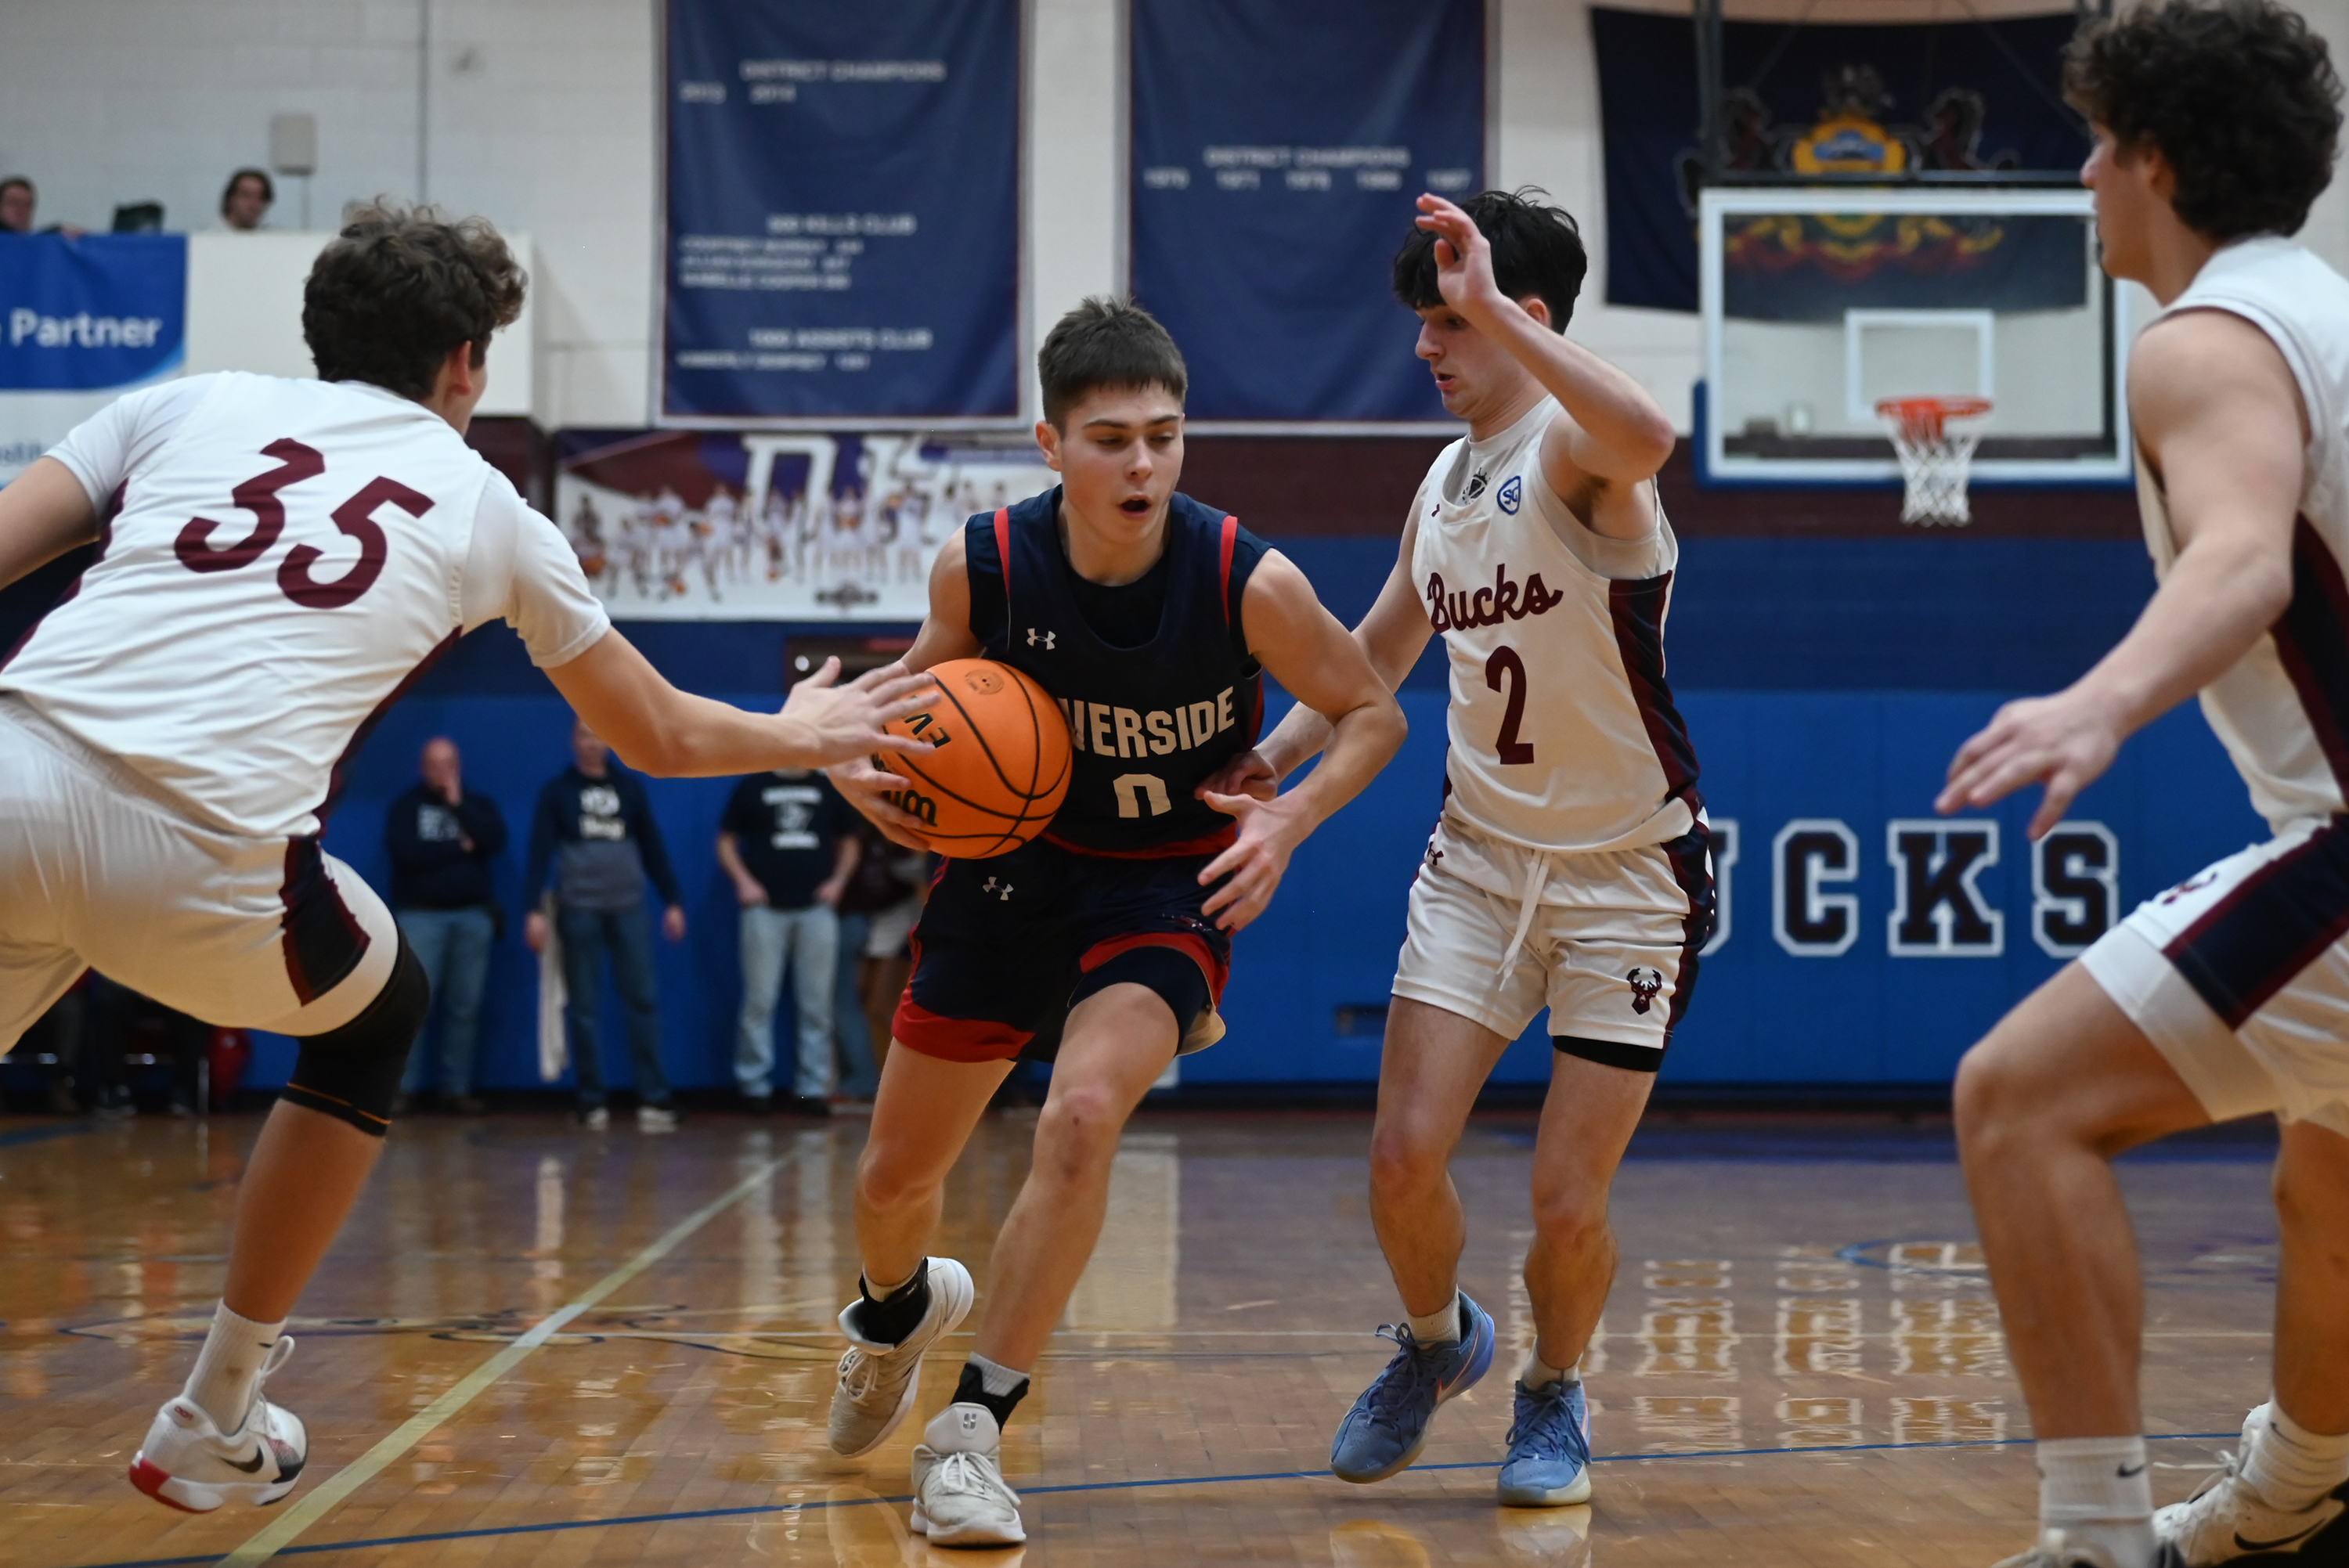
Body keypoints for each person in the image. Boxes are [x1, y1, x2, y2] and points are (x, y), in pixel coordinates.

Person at [0, 202, 933, 1517]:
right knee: (377, 1018)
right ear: (464, 365)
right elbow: (659, 732)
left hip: (14, 769)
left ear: (321, 333)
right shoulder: (488, 503)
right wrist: (804, 728)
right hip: (202, 850)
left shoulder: (183, 402)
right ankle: (216, 1402)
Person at [817, 297, 1406, 1548]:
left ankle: (972, 1430)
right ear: (1050, 442)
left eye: (1164, 434)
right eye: (1110, 439)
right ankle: (891, 1312)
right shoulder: (983, 564)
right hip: (1008, 876)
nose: (1142, 463)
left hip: (1162, 885)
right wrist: (860, 763)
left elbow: (1372, 711)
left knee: (1082, 1115)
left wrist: (1285, 821)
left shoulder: (1245, 575)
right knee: (891, 1181)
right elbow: (907, 715)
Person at [1217, 188, 1705, 1510]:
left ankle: (1553, 1388)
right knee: (1400, 1155)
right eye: (1424, 325)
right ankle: (1439, 1345)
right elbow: (1373, 659)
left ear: (1518, 314)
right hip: (1483, 862)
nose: (1426, 348)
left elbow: (1652, 428)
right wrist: (1270, 759)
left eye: (1449, 320)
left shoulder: (1579, 453)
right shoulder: (1440, 484)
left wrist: (1489, 301)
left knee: (1564, 1200)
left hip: (1629, 879)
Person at [1936, 6, 2349, 1566]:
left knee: (2017, 1098)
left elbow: (2242, 554)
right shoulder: (2324, 309)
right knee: (2328, 1190)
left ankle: (2096, 1538)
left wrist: (2096, 705)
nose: (2090, 173)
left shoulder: (2205, 341)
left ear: (2159, 162)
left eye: (2106, 143)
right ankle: (2299, 1491)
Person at [525, 721, 690, 1132]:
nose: (591, 743)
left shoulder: (629, 788)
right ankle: (590, 1100)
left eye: (599, 735)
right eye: (583, 735)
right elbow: (539, 852)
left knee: (644, 1002)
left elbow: (652, 844)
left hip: (629, 908)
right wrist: (532, 909)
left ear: (608, 741)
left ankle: (654, 1099)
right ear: (573, 741)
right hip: (578, 909)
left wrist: (672, 900)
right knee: (583, 1008)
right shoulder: (557, 792)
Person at [716, 762, 859, 1115]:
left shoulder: (829, 787)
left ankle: (811, 1090)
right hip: (764, 909)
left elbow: (852, 841)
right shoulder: (754, 785)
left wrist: (839, 882)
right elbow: (725, 840)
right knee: (759, 1002)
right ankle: (754, 1088)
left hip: (816, 910)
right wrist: (743, 882)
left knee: (817, 1006)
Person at [384, 736, 506, 1114]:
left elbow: (494, 840)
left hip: (472, 917)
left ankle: (456, 1089)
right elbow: (407, 854)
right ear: (423, 768)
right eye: (435, 764)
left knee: (465, 1007)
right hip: (421, 917)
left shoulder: (478, 805)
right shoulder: (407, 807)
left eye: (450, 763)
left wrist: (458, 805)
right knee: (413, 1006)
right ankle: (402, 1090)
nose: (443, 771)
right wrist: (460, 847)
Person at [220, 168, 272, 232]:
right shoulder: (210, 238)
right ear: (230, 199)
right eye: (246, 195)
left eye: (260, 197)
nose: (253, 203)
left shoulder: (272, 237)